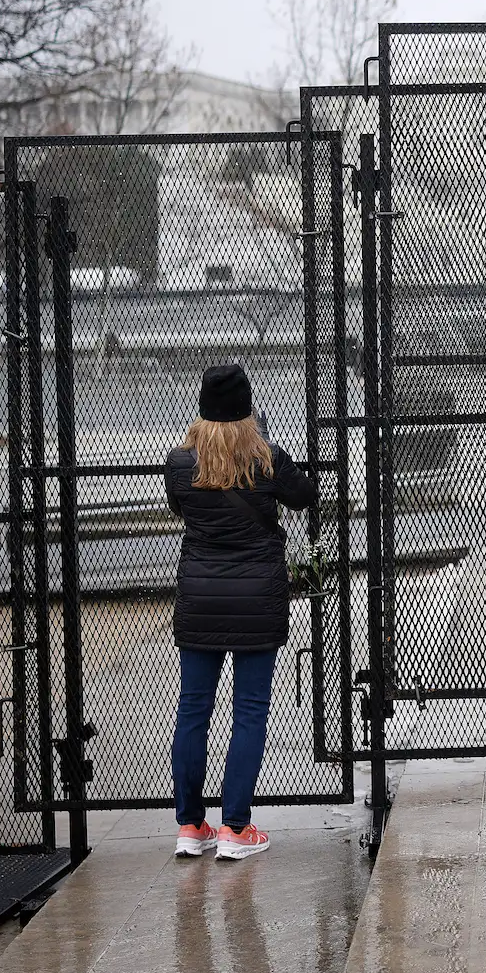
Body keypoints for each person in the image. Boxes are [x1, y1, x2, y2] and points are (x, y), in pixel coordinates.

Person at [167, 363, 312, 861]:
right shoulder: (267, 461)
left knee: (193, 709)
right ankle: (235, 828)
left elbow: (181, 510)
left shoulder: (180, 464)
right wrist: (267, 445)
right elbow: (305, 496)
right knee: (249, 711)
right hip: (255, 601)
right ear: (249, 411)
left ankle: (190, 825)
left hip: (201, 600)